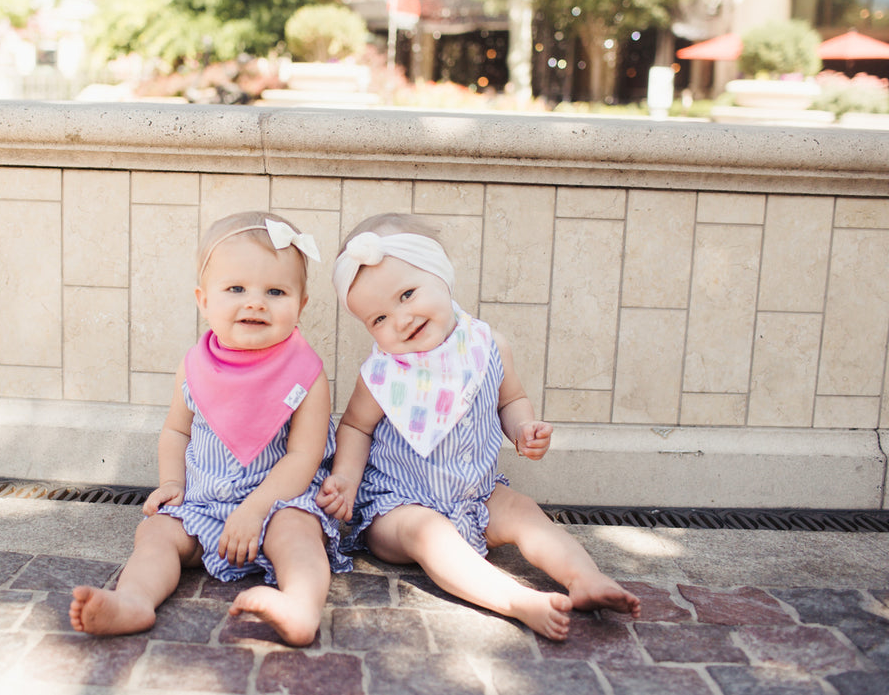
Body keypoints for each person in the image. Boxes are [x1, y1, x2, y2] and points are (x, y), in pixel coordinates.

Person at [316, 213, 640, 641]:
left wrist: (523, 428)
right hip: (398, 506)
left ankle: (585, 578)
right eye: (378, 319)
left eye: (408, 294)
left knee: (523, 510)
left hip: (477, 493)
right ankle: (515, 599)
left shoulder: (487, 345)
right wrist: (345, 479)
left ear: (442, 276)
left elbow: (511, 399)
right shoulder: (381, 374)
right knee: (427, 532)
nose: (400, 319)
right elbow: (356, 428)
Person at [71, 211, 351, 646]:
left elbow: (304, 455)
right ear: (204, 300)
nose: (255, 301)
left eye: (275, 291)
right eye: (236, 288)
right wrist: (170, 483)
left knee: (300, 535)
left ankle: (301, 606)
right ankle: (133, 600)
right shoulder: (193, 367)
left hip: (276, 505)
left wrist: (256, 510)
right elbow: (177, 431)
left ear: (301, 304)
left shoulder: (306, 374)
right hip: (204, 507)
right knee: (155, 534)